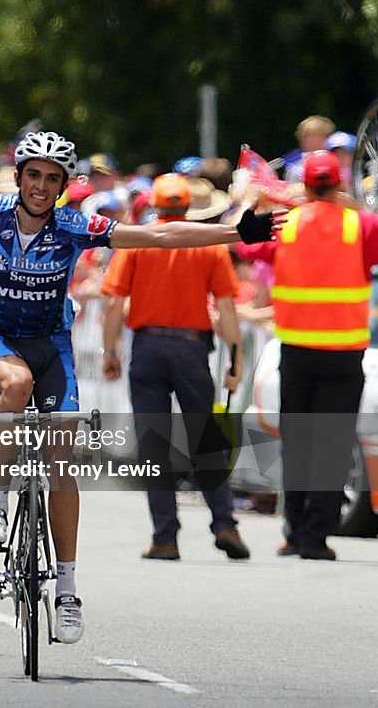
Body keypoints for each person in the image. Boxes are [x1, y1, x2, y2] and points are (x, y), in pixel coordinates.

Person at [0, 114, 277, 644]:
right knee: (16, 387)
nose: (41, 187)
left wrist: (236, 231)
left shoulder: (75, 225)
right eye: (34, 175)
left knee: (62, 464)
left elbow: (158, 235)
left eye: (53, 179)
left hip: (53, 347)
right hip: (2, 341)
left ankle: (68, 590)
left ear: (62, 186)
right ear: (21, 176)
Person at [100, 173, 250, 561]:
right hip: (190, 349)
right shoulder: (209, 245)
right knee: (205, 439)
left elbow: (114, 303)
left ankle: (165, 536)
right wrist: (235, 357)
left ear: (155, 205)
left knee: (154, 444)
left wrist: (110, 351)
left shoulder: (135, 242)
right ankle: (225, 522)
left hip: (149, 346)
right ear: (188, 207)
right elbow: (228, 307)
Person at [240, 150, 378, 559]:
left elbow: (248, 248)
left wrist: (255, 204)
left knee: (298, 443)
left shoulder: (287, 226)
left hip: (297, 351)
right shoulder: (360, 225)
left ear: (304, 186)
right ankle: (315, 538)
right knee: (333, 446)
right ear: (339, 185)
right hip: (344, 354)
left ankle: (294, 531)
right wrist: (355, 207)